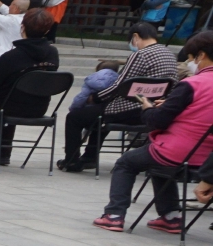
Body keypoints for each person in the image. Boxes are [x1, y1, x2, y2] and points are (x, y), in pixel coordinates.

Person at [94, 31, 213, 233]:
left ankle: (114, 214)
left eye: (191, 59)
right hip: (207, 160)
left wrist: (147, 107)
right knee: (155, 158)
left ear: (200, 55)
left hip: (178, 151)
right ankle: (171, 216)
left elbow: (157, 121)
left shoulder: (192, 84)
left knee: (127, 162)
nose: (191, 64)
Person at [62, 20, 176, 172]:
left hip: (130, 109)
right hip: (154, 109)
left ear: (135, 37)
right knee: (98, 114)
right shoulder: (169, 54)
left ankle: (71, 160)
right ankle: (89, 157)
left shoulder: (140, 55)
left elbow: (119, 86)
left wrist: (95, 97)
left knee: (75, 117)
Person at [0, 7, 61, 168]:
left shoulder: (11, 56)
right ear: (48, 30)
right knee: (14, 96)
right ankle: (2, 153)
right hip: (39, 106)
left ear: (22, 27)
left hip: (7, 106)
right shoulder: (52, 54)